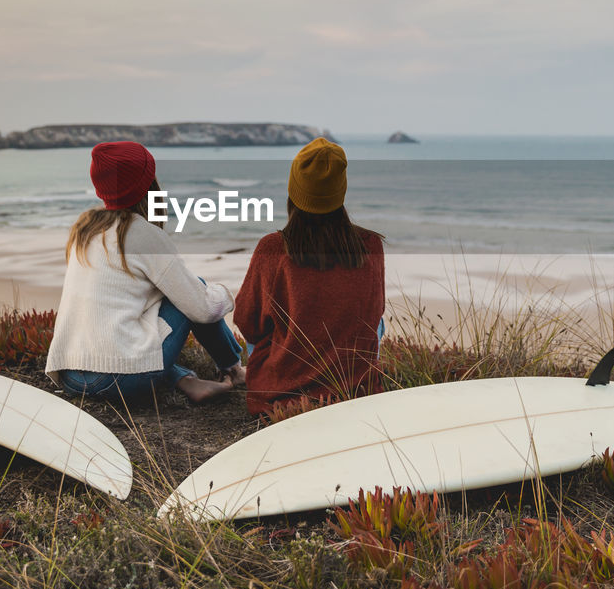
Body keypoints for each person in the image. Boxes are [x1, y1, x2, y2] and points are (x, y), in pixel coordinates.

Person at [45, 141, 246, 405]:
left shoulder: (85, 229)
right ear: (147, 184)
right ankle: (234, 369)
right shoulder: (142, 234)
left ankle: (185, 380)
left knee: (141, 318)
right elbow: (203, 310)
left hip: (70, 375)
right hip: (120, 381)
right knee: (194, 291)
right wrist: (225, 294)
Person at [235, 137, 385, 415]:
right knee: (378, 321)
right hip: (355, 390)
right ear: (340, 191)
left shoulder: (273, 247)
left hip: (284, 393)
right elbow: (374, 314)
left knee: (270, 322)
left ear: (294, 191)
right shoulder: (370, 244)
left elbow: (248, 322)